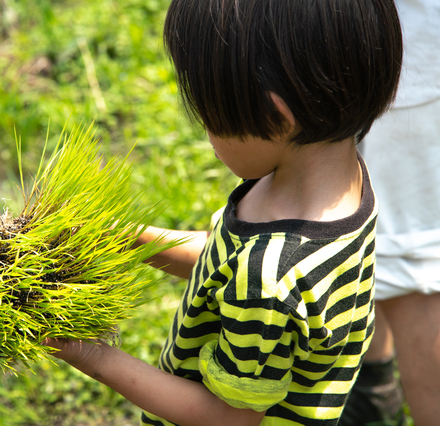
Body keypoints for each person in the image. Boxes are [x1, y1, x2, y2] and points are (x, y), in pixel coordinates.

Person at [45, 0, 403, 424]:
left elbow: (227, 418)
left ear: (275, 117)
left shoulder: (268, 278)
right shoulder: (341, 183)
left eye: (210, 116)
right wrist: (132, 241)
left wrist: (92, 356)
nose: (207, 133)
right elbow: (226, 263)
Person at [339, 1, 440, 425]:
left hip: (412, 51)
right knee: (353, 226)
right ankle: (372, 388)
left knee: (414, 274)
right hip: (322, 38)